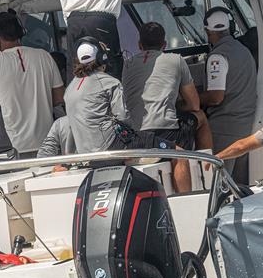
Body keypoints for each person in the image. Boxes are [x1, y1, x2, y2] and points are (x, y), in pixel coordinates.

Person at [65, 37, 192, 190]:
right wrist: (133, 142)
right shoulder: (109, 82)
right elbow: (124, 118)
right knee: (180, 154)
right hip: (113, 148)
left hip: (88, 157)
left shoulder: (69, 90)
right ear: (101, 57)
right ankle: (185, 207)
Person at [123, 22, 212, 190]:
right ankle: (207, 171)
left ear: (139, 45)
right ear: (164, 45)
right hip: (165, 131)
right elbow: (194, 104)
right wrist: (176, 106)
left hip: (137, 134)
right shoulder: (176, 60)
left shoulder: (127, 65)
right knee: (200, 117)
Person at [0, 11, 65, 158]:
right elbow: (59, 99)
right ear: (21, 32)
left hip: (14, 147)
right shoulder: (45, 57)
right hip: (47, 144)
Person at [200, 7, 257, 185]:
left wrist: (192, 100)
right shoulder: (243, 50)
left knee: (219, 184)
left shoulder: (217, 56)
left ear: (209, 32)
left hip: (223, 129)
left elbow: (216, 97)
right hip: (245, 126)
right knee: (239, 185)